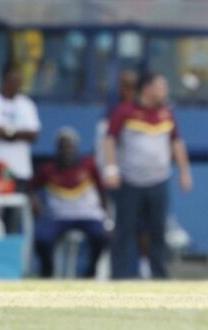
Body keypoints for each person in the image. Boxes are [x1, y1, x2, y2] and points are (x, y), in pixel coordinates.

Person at [104, 73, 193, 279]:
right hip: (129, 182)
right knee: (124, 231)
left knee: (158, 232)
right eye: (161, 87)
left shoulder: (167, 114)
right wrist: (111, 169)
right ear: (147, 89)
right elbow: (109, 140)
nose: (165, 91)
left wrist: (184, 172)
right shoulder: (124, 111)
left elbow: (176, 143)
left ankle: (159, 276)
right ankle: (120, 276)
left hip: (158, 181)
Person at [32, 127, 108, 278]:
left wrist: (105, 215)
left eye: (70, 146)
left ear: (76, 148)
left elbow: (102, 190)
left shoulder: (89, 166)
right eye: (63, 146)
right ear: (57, 149)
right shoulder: (47, 169)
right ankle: (47, 272)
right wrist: (36, 205)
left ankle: (90, 271)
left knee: (101, 236)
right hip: (59, 216)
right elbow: (30, 189)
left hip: (88, 215)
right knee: (42, 239)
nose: (67, 150)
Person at [0, 64, 40, 194]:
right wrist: (19, 133)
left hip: (21, 170)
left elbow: (34, 135)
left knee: (16, 212)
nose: (16, 85)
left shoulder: (27, 104)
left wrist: (8, 133)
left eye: (19, 81)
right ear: (4, 80)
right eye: (13, 81)